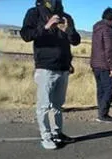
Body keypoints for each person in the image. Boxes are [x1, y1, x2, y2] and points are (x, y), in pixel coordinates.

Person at [20, 0, 81, 150]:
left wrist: (69, 30)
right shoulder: (34, 13)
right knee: (44, 105)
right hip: (45, 67)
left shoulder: (66, 17)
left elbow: (76, 41)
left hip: (63, 67)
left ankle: (57, 133)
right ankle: (45, 136)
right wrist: (46, 27)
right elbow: (26, 35)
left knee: (58, 105)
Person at [90, 7, 112, 123]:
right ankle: (103, 114)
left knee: (101, 90)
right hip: (105, 66)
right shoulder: (107, 30)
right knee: (110, 90)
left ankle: (101, 113)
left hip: (96, 64)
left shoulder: (97, 29)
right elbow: (110, 50)